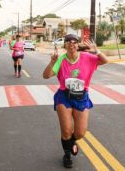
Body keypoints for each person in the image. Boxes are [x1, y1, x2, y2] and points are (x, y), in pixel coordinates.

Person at [42, 34, 108, 168]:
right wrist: (52, 62)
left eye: (74, 42)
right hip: (64, 97)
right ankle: (67, 154)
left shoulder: (87, 58)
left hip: (81, 97)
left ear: (77, 45)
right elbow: (46, 76)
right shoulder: (60, 60)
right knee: (66, 131)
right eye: (68, 42)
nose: (71, 44)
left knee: (80, 133)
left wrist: (97, 51)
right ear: (65, 45)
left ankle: (71, 142)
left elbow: (105, 61)